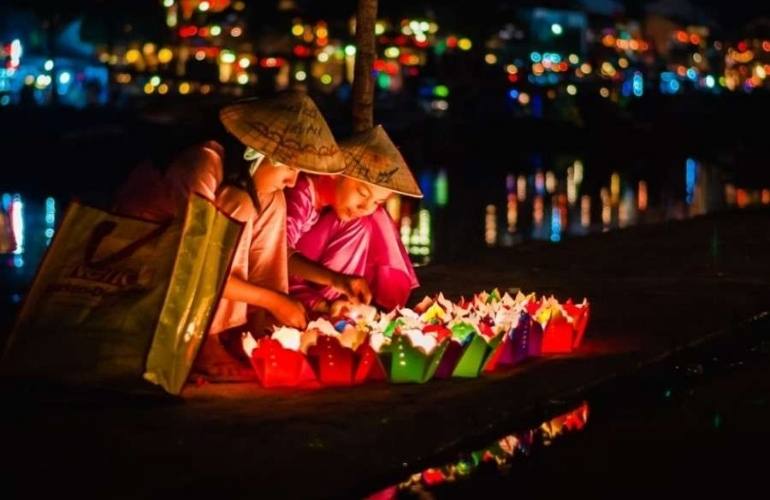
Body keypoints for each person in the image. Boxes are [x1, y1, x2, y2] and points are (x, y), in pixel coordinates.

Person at [114, 90, 345, 377]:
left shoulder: (251, 184)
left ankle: (254, 325)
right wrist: (275, 300)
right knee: (243, 204)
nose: (291, 181)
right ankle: (204, 339)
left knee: (272, 200)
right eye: (289, 167)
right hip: (138, 266)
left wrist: (275, 304)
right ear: (256, 153)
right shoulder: (202, 164)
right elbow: (196, 266)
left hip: (188, 271)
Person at [285, 125, 423, 313]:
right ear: (336, 172)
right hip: (281, 278)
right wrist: (336, 279)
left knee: (370, 219)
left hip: (306, 278)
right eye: (362, 193)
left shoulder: (334, 207)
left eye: (377, 201)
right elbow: (278, 255)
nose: (366, 207)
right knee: (358, 222)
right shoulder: (301, 192)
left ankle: (339, 305)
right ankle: (328, 305)